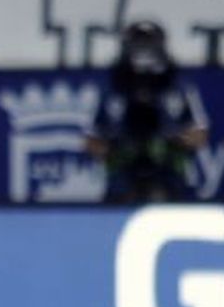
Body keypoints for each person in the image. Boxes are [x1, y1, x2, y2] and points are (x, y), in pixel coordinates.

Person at [86, 20, 209, 204]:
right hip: (124, 167)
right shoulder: (112, 88)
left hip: (166, 167)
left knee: (171, 192)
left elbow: (200, 132)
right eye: (138, 45)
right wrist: (111, 150)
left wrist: (175, 141)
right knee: (119, 193)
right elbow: (92, 137)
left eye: (148, 45)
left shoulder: (179, 86)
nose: (143, 52)